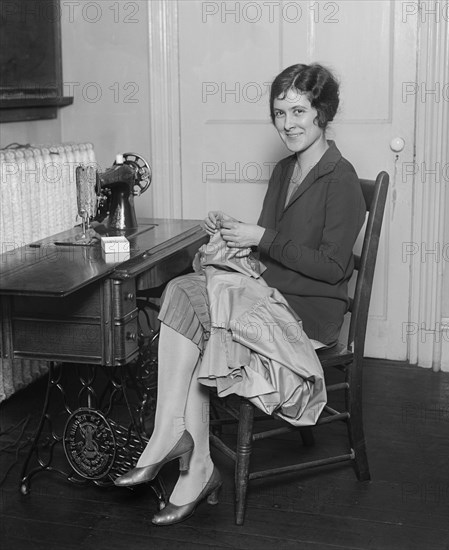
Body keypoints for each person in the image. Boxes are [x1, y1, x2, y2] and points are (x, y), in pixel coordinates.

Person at [114, 63, 366, 526]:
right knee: (188, 300)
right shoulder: (283, 171)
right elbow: (268, 247)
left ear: (322, 112)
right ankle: (188, 456)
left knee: (186, 301)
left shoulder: (341, 179)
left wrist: (259, 236)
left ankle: (178, 449)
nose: (288, 123)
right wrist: (232, 236)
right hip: (270, 294)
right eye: (279, 112)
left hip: (309, 314)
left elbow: (333, 269)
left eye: (299, 111)